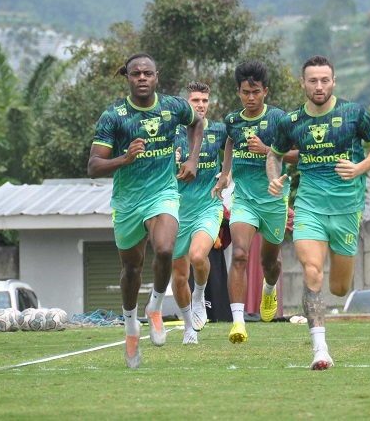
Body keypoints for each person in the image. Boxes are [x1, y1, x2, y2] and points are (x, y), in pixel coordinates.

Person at [267, 55, 370, 370]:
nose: (318, 86)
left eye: (324, 80)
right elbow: (274, 154)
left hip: (347, 209)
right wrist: (274, 180)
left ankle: (333, 297)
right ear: (303, 83)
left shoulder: (354, 113)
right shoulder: (291, 121)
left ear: (333, 82)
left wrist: (359, 167)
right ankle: (320, 349)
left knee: (338, 286)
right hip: (309, 204)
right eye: (313, 80)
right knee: (311, 271)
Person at [87, 53, 202, 368]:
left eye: (147, 73)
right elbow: (94, 166)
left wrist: (192, 159)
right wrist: (123, 159)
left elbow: (198, 121)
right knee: (132, 270)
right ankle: (130, 325)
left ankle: (155, 306)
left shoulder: (172, 106)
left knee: (165, 250)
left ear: (156, 75)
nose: (141, 78)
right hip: (127, 202)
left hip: (162, 193)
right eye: (135, 73)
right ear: (127, 77)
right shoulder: (114, 116)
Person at [212, 60, 297, 344]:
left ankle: (269, 290)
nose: (251, 97)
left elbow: (297, 151)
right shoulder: (233, 121)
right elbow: (229, 144)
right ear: (238, 92)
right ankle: (238, 323)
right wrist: (225, 176)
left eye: (256, 92)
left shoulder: (279, 120)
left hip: (273, 200)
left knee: (269, 262)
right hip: (244, 200)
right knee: (239, 254)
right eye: (246, 92)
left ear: (265, 92)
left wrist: (268, 150)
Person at [171, 81, 228, 344]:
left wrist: (226, 175)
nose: (201, 105)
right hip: (176, 212)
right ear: (186, 103)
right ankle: (187, 328)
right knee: (179, 276)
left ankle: (200, 294)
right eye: (195, 101)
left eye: (204, 100)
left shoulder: (218, 130)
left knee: (197, 255)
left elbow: (235, 150)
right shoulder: (172, 132)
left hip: (208, 206)